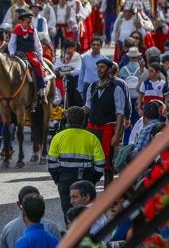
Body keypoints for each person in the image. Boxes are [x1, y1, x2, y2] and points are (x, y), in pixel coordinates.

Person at [47, 107, 105, 217]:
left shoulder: (58, 137)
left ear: (67, 120)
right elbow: (100, 164)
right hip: (86, 182)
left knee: (69, 217)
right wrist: (93, 180)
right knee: (87, 218)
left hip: (65, 182)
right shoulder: (92, 138)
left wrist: (57, 179)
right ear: (83, 120)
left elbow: (51, 163)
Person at [83, 58, 126, 186]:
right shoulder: (92, 86)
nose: (99, 70)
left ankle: (108, 193)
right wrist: (75, 111)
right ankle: (89, 190)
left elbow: (120, 113)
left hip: (108, 130)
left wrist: (117, 135)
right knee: (90, 161)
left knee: (108, 164)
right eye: (98, 67)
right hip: (92, 129)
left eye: (102, 67)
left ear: (108, 70)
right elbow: (87, 107)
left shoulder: (116, 88)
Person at [8, 11, 47, 100]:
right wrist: (12, 54)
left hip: (31, 54)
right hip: (19, 54)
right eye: (27, 22)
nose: (30, 24)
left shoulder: (33, 30)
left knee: (37, 66)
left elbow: (38, 45)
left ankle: (42, 89)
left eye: (30, 22)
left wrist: (40, 58)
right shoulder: (16, 31)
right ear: (21, 22)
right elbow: (11, 44)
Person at [54, 39, 82, 107]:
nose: (70, 50)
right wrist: (59, 73)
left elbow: (78, 70)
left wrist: (65, 73)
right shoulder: (59, 57)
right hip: (61, 83)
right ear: (64, 48)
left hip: (74, 82)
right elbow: (55, 69)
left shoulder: (77, 56)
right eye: (68, 48)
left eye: (71, 48)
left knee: (75, 101)